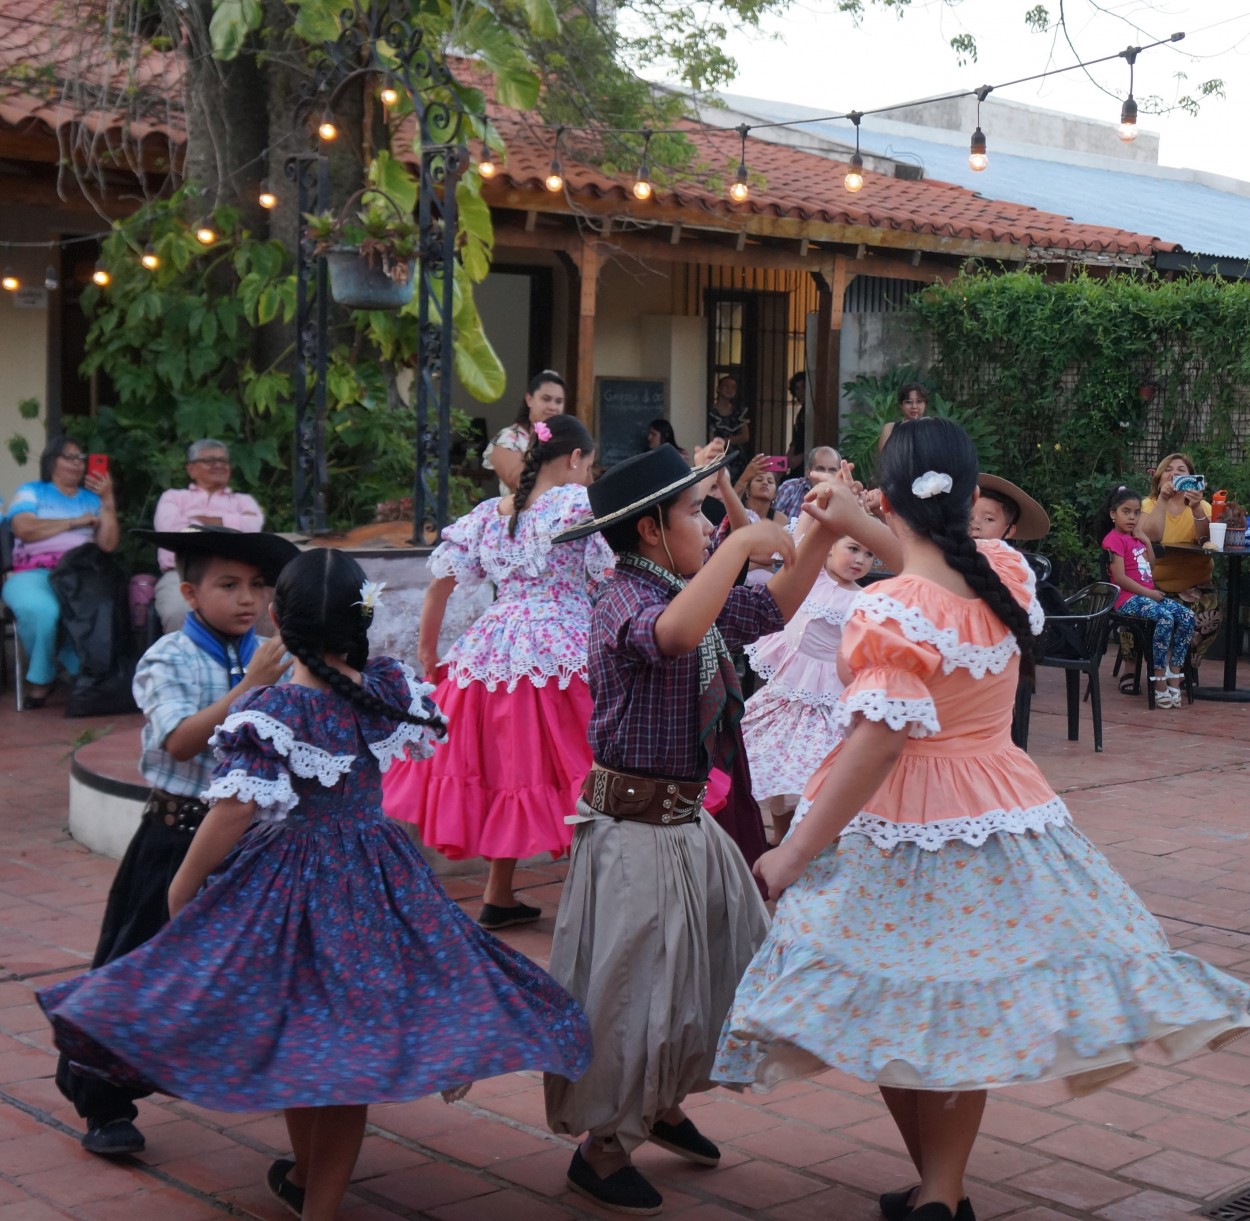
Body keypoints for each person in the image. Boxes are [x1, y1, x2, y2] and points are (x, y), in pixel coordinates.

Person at [714, 419, 1250, 1221]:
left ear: (888, 500)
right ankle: (941, 1190)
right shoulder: (1002, 571)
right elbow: (931, 564)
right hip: (1002, 811)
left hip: (895, 824)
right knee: (956, 1001)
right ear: (971, 500)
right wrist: (857, 516)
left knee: (885, 998)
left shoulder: (891, 607)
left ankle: (939, 1191)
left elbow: (877, 747)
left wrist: (791, 853)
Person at [40, 548, 592, 1221]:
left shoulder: (280, 706)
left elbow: (235, 808)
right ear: (363, 616)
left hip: (295, 880)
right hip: (375, 872)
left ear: (277, 617)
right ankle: (309, 1184)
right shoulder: (385, 685)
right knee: (332, 1049)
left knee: (310, 1043)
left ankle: (317, 1199)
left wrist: (184, 884)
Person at [542, 443, 855, 1215]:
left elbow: (774, 604)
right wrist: (746, 540)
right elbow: (674, 635)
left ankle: (663, 1099)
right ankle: (603, 1145)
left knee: (716, 969)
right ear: (650, 529)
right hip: (631, 831)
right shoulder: (620, 595)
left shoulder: (689, 585)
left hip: (685, 822)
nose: (710, 523)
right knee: (633, 992)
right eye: (694, 512)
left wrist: (817, 528)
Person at [55, 524, 298, 1157]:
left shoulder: (270, 652)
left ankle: (271, 1079)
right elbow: (180, 741)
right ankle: (99, 1100)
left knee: (253, 968)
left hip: (246, 841)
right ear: (190, 593)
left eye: (257, 586)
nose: (247, 599)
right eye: (227, 585)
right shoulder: (170, 657)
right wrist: (251, 688)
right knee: (132, 967)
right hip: (174, 835)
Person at [382, 416, 612, 929]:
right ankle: (591, 896)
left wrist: (427, 653)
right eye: (590, 465)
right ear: (575, 459)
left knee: (506, 766)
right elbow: (613, 571)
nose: (589, 475)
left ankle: (499, 893)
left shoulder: (490, 513)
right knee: (582, 763)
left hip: (488, 651)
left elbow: (440, 584)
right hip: (561, 646)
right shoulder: (578, 504)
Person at [742, 531, 877, 847]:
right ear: (830, 547)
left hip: (828, 697)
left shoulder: (864, 600)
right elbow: (803, 534)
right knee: (775, 761)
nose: (859, 559)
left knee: (815, 770)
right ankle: (778, 836)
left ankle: (811, 844)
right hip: (788, 689)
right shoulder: (810, 576)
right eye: (853, 548)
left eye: (869, 554)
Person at [3, 435, 119, 706]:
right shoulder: (31, 491)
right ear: (51, 461)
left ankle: (79, 670)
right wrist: (75, 522)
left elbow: (109, 544)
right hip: (33, 572)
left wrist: (108, 500)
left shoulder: (91, 500)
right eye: (70, 457)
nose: (78, 464)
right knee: (43, 611)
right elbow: (24, 529)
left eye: (81, 458)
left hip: (80, 574)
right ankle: (43, 679)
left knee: (94, 607)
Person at [152, 439, 266, 633]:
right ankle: (185, 662)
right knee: (177, 612)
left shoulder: (243, 501)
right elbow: (170, 529)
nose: (219, 465)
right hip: (181, 574)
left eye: (223, 461)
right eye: (211, 460)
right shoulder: (173, 497)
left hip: (238, 575)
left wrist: (197, 520)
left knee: (265, 610)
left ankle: (252, 663)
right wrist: (230, 523)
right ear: (191, 469)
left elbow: (252, 528)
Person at [1102, 484, 1196, 709]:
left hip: (1147, 596)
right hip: (1127, 598)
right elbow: (1121, 578)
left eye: (1136, 513)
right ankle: (1158, 677)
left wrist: (1145, 540)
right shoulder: (1113, 539)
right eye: (1126, 512)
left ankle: (1175, 671)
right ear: (1113, 514)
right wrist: (1150, 594)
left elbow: (1150, 565)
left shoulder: (1135, 538)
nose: (1132, 517)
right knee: (1164, 618)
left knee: (1187, 616)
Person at [1140, 452, 1221, 663]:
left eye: (1181, 471)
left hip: (1195, 585)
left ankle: (1185, 666)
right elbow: (1151, 536)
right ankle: (1137, 667)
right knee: (1134, 605)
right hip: (1156, 584)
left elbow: (1206, 540)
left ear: (1192, 478)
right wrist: (1163, 499)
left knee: (1210, 616)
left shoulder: (1203, 507)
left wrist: (1195, 507)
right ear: (1158, 477)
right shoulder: (1148, 504)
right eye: (1168, 470)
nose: (1174, 473)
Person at [483, 370, 566, 494]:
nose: (553, 407)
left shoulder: (566, 439)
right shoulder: (508, 439)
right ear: (529, 399)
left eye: (558, 401)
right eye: (546, 399)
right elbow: (517, 483)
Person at [968, 474, 1050, 545]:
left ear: (1008, 531)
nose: (975, 525)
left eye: (989, 519)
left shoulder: (1014, 561)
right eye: (967, 517)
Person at [774, 445, 841, 520]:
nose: (826, 474)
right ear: (808, 472)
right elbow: (771, 522)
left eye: (832, 470)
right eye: (820, 469)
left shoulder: (844, 498)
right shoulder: (790, 488)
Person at [707, 374, 751, 483]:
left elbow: (745, 436)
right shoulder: (711, 412)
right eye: (726, 386)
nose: (730, 390)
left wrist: (723, 441)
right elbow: (711, 440)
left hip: (737, 457)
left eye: (733, 387)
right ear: (718, 389)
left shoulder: (739, 412)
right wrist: (733, 439)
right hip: (717, 456)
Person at [878, 381, 928, 451]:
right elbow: (886, 458)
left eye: (919, 401)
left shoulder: (933, 428)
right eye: (908, 402)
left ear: (925, 404)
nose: (914, 406)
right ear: (901, 405)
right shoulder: (890, 429)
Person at [785, 371, 808, 476]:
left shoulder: (813, 411)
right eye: (797, 388)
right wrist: (789, 455)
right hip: (796, 461)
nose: (801, 392)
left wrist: (801, 457)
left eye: (803, 387)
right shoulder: (802, 412)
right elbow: (796, 437)